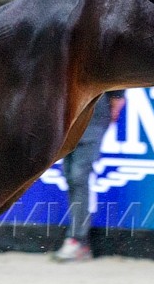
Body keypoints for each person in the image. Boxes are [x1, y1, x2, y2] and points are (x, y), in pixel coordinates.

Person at [53, 90, 125, 263]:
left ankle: (78, 240)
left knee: (78, 178)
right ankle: (78, 239)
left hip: (92, 120)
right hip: (70, 122)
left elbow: (118, 97)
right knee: (71, 177)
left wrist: (107, 116)